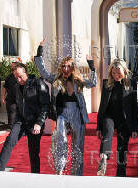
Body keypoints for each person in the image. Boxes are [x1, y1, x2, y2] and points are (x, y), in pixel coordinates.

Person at [34, 40, 97, 175]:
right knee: (60, 140)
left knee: (77, 146)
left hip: (77, 113)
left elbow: (93, 82)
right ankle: (60, 169)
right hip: (62, 113)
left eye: (68, 66)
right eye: (64, 66)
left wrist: (91, 66)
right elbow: (43, 72)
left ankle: (77, 173)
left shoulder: (78, 80)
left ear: (72, 68)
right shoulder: (56, 79)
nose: (66, 69)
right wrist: (40, 50)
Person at [0, 63, 50, 173]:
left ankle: (35, 175)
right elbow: (15, 103)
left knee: (33, 151)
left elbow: (45, 105)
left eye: (20, 76)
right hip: (21, 120)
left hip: (35, 121)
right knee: (10, 140)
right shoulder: (16, 87)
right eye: (16, 77)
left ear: (26, 73)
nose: (18, 79)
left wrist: (39, 123)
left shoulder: (38, 83)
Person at [96, 58, 138, 177]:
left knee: (122, 147)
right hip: (109, 116)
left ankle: (121, 174)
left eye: (118, 73)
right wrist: (99, 127)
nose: (116, 75)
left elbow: (134, 106)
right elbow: (102, 106)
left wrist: (135, 128)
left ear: (124, 71)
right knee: (108, 131)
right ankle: (103, 159)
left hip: (125, 119)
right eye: (113, 73)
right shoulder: (107, 83)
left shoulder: (131, 83)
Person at [2, 62, 18, 127]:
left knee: (15, 114)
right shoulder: (9, 76)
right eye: (11, 66)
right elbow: (5, 87)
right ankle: (11, 126)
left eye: (13, 66)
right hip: (10, 98)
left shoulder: (20, 75)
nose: (12, 67)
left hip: (18, 98)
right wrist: (3, 97)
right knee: (10, 113)